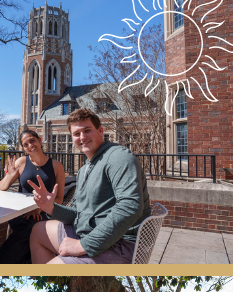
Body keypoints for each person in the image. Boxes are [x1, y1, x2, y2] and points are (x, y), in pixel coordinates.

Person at [27, 107, 150, 264]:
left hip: (121, 243)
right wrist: (51, 208)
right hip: (88, 232)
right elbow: (78, 213)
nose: (82, 137)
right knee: (38, 231)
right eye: (76, 134)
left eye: (87, 130)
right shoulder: (85, 168)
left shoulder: (118, 156)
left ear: (100, 131)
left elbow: (130, 206)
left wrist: (83, 245)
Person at [0, 128, 66, 264]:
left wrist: (40, 208)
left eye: (32, 141)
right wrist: (9, 176)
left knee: (31, 229)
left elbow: (59, 199)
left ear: (39, 140)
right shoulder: (21, 162)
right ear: (23, 148)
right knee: (28, 229)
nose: (30, 146)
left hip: (44, 212)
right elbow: (1, 188)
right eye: (25, 144)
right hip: (20, 212)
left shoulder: (56, 166)